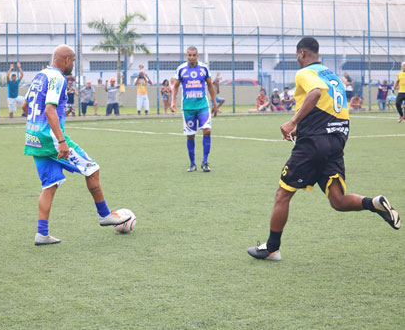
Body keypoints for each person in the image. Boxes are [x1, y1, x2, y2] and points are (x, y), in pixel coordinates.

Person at [247, 37, 400, 261]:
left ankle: (271, 248)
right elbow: (329, 108)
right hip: (337, 139)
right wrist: (305, 128)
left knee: (283, 194)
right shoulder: (332, 76)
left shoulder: (305, 73)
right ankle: (373, 203)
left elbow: (315, 94)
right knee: (337, 200)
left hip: (314, 144)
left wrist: (293, 123)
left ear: (301, 53)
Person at [21, 44, 130, 245]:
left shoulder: (39, 76)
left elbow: (25, 106)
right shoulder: (58, 78)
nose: (73, 66)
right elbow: (49, 110)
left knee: (50, 185)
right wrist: (61, 141)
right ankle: (104, 214)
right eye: (73, 61)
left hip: (34, 139)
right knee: (92, 170)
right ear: (67, 60)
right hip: (51, 139)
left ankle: (42, 233)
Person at [171, 46, 218, 172]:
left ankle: (204, 162)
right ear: (186, 55)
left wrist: (214, 102)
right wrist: (173, 101)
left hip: (202, 106)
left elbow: (210, 85)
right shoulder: (181, 69)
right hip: (188, 108)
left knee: (207, 131)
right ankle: (192, 164)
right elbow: (175, 86)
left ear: (197, 56)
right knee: (190, 136)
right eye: (190, 55)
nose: (192, 57)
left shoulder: (203, 68)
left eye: (194, 55)